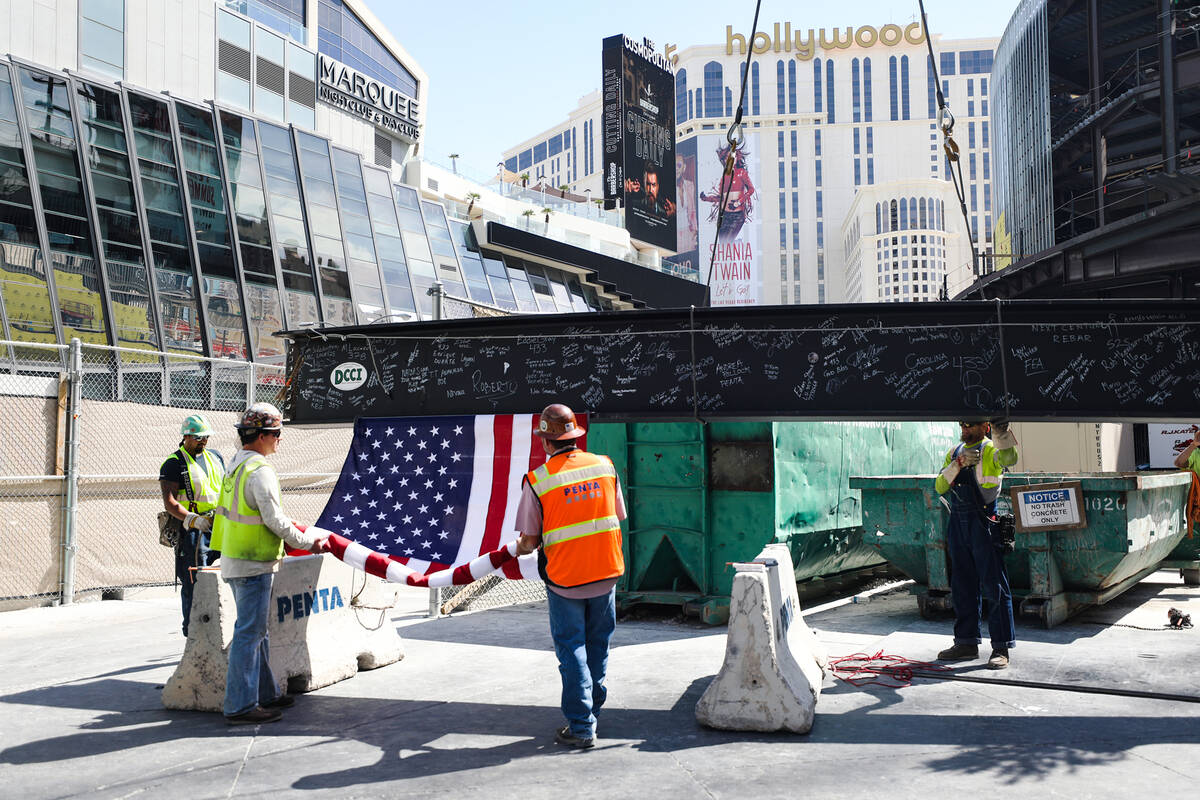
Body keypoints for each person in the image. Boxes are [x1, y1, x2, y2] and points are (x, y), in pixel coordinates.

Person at [515, 403, 627, 749]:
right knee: (597, 644)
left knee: (572, 649)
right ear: (576, 435)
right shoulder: (605, 467)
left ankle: (581, 726)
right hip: (606, 573)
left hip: (566, 582)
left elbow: (529, 542)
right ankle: (593, 706)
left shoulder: (539, 481)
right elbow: (617, 516)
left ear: (546, 442)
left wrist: (517, 548)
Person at [212, 402, 329, 725]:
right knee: (249, 634)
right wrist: (308, 542)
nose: (280, 439)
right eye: (277, 433)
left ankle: (265, 692)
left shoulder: (236, 466)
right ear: (262, 435)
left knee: (257, 632)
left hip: (237, 559)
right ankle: (240, 705)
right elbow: (274, 520)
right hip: (253, 563)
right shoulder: (260, 471)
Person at [934, 418, 1019, 669]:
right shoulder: (954, 452)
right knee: (962, 585)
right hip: (958, 525)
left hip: (984, 523)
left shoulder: (992, 450)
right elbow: (939, 486)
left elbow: (1010, 459)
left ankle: (1001, 647)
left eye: (970, 425)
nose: (965, 430)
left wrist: (1002, 433)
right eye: (962, 426)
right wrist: (957, 465)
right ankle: (966, 643)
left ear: (985, 427)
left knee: (994, 585)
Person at [159, 414, 225, 637]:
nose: (203, 441)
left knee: (225, 576)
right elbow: (170, 502)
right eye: (198, 438)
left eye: (205, 437)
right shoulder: (174, 463)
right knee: (194, 581)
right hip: (195, 531)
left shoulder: (215, 457)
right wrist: (192, 519)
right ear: (186, 436)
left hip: (220, 525)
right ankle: (193, 632)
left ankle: (218, 627)